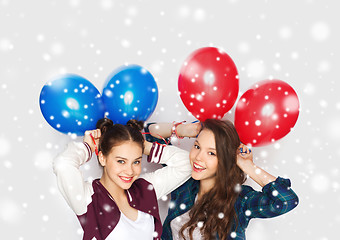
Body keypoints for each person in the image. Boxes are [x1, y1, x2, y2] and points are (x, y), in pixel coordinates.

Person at [147, 119, 299, 240]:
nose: (198, 158)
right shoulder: (183, 180)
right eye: (197, 146)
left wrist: (248, 165)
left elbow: (286, 200)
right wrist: (183, 130)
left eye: (211, 153)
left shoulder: (240, 200)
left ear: (226, 160)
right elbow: (149, 134)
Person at [53, 118, 192, 240]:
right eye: (121, 161)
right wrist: (88, 147)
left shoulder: (145, 188)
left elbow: (187, 164)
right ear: (102, 158)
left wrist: (143, 146)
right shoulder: (88, 197)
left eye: (136, 161)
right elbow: (62, 164)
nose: (130, 171)